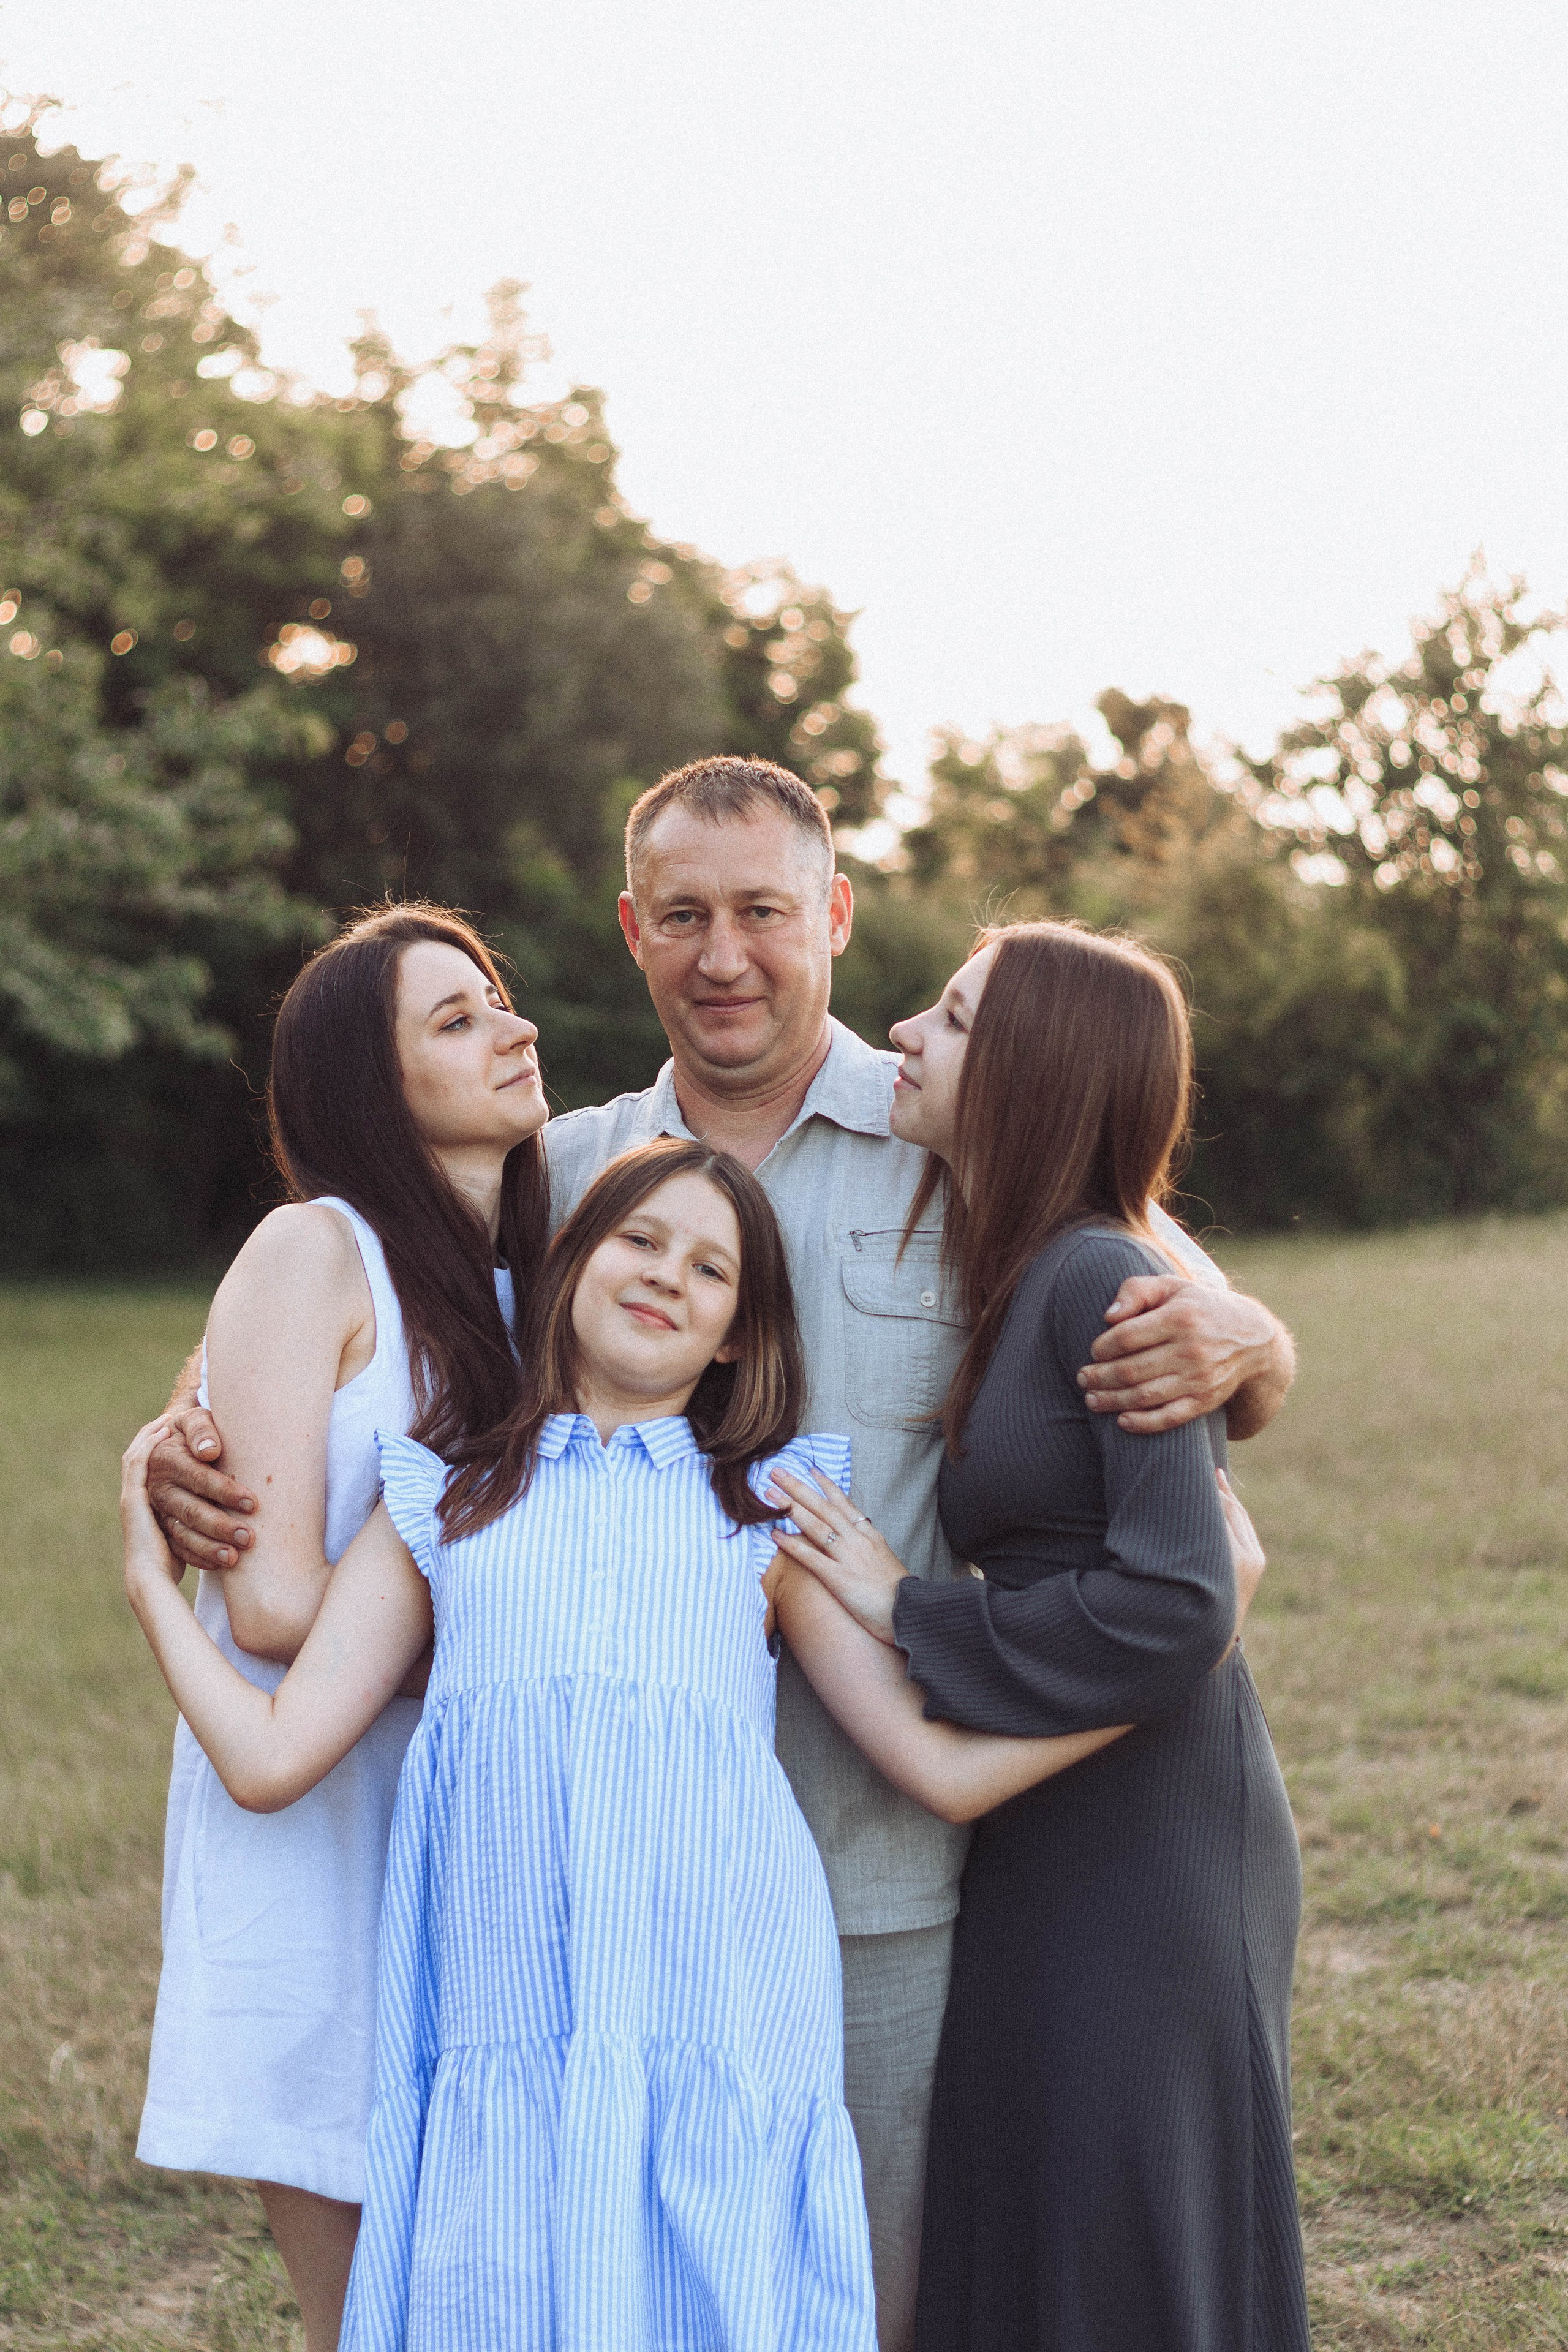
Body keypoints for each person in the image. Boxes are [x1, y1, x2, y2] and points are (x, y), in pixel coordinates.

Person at [146, 758, 1297, 2351]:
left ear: (831, 915)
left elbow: (1174, 1284)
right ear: (633, 932)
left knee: (845, 2295)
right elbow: (375, 1328)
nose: (724, 953)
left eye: (763, 911)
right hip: (581, 1886)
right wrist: (194, 1441)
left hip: (896, 1870)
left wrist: (1260, 1336)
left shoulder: (953, 1138)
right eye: (682, 916)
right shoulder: (575, 1171)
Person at [122, 1139, 1130, 2351]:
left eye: (710, 1270)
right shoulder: (445, 1497)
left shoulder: (767, 1510)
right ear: (567, 1267)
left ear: (736, 1339)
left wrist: (1152, 1673)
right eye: (639, 1240)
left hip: (716, 2013)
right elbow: (269, 1758)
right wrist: (149, 1586)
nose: (667, 1275)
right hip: (501, 2019)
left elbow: (939, 1768)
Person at [767, 921, 1310, 2351]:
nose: (904, 1031)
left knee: (1117, 2225)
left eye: (947, 1019)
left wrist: (906, 1608)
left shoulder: (1094, 1275)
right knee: (1042, 2216)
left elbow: (1183, 1593)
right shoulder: (1026, 1260)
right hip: (1038, 1816)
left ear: (1029, 1074)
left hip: (1145, 1835)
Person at [135, 906, 549, 2352]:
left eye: (495, 998)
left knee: (485, 2280)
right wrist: (521, 1663)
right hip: (321, 1824)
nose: (512, 1027)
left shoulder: (545, 1273)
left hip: (474, 1826)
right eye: (456, 1019)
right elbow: (270, 1596)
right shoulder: (315, 1252)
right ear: (373, 1091)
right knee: (371, 2309)